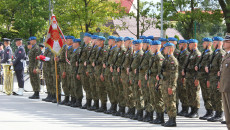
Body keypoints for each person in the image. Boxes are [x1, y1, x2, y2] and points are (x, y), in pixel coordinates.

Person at [157, 42, 178, 127]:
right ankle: (169, 119)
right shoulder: (166, 59)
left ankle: (173, 120)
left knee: (171, 102)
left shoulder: (172, 60)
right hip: (165, 83)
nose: (164, 50)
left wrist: (171, 86)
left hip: (169, 85)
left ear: (170, 49)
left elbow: (174, 75)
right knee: (167, 102)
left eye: (165, 48)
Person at [205, 37, 225, 122]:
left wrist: (220, 80)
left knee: (218, 97)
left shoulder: (221, 53)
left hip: (217, 78)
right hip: (212, 77)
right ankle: (215, 112)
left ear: (220, 43)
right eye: (213, 42)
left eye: (215, 42)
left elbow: (222, 68)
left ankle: (219, 114)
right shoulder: (214, 53)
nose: (213, 44)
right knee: (213, 96)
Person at [182, 39, 201, 118]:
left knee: (194, 94)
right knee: (189, 94)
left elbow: (199, 68)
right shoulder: (190, 54)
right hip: (188, 77)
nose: (189, 46)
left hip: (193, 77)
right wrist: (183, 71)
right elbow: (186, 64)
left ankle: (195, 111)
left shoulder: (198, 54)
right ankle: (191, 110)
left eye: (190, 44)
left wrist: (197, 79)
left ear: (194, 44)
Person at [129, 39, 144, 120]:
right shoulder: (135, 54)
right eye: (134, 45)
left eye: (135, 45)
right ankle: (138, 111)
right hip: (134, 77)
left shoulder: (140, 54)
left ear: (140, 45)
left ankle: (140, 112)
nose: (134, 47)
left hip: (138, 77)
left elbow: (142, 67)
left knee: (139, 94)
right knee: (135, 94)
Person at [219, 34, 230, 129]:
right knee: (227, 112)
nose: (224, 43)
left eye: (226, 42)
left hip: (229, 87)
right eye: (224, 41)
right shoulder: (226, 55)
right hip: (224, 86)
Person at [177, 40, 190, 116]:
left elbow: (185, 66)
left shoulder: (186, 54)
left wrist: (184, 76)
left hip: (183, 76)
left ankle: (185, 109)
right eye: (179, 44)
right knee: (180, 93)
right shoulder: (180, 53)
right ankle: (183, 108)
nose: (179, 46)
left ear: (185, 45)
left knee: (184, 93)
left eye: (181, 44)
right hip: (178, 76)